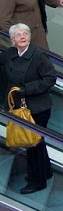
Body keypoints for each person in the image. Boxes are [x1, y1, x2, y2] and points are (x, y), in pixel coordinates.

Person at [1, 22, 56, 193]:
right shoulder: (10, 54)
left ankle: (37, 181)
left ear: (30, 37)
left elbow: (50, 78)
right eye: (18, 35)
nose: (23, 36)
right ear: (12, 40)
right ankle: (44, 172)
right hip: (19, 107)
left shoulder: (38, 56)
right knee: (37, 143)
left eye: (25, 33)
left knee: (33, 144)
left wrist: (26, 90)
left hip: (38, 108)